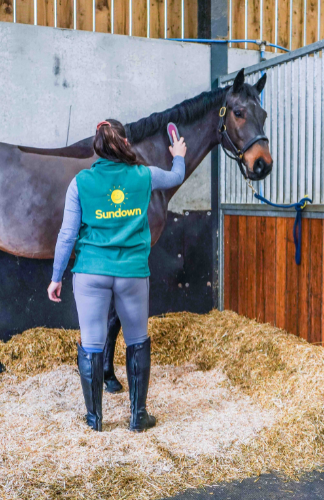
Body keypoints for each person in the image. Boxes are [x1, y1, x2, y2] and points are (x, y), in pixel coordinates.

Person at [48, 119, 187, 432]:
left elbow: (67, 234)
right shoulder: (144, 175)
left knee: (92, 344)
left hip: (90, 273)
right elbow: (177, 176)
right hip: (131, 273)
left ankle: (95, 420)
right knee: (137, 340)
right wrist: (178, 153)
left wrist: (56, 276)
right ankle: (138, 417)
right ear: (126, 143)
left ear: (97, 147)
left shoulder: (80, 182)